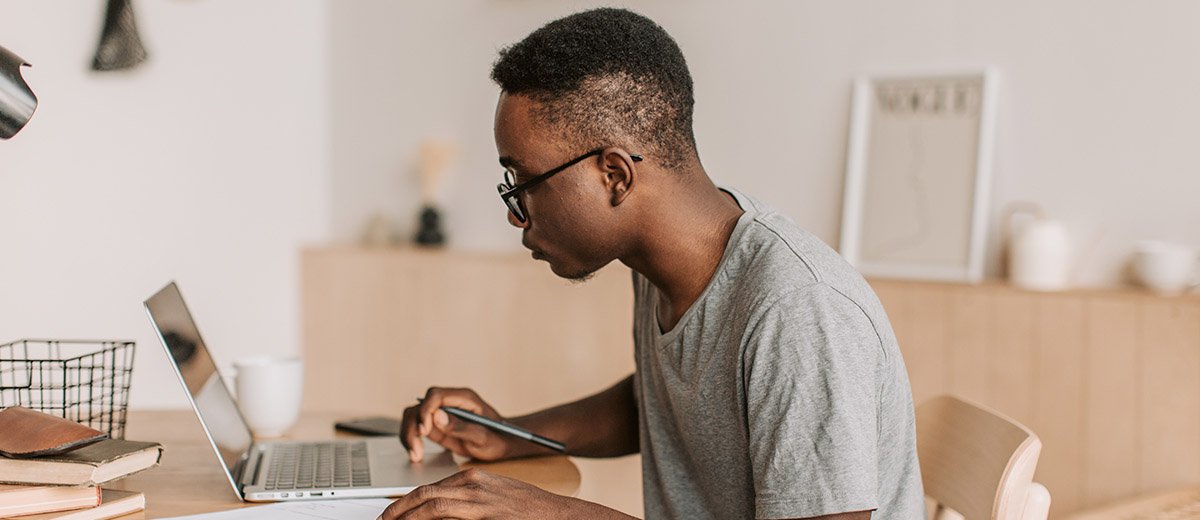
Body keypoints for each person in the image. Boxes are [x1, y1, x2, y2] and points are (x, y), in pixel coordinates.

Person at [382, 8, 924, 520]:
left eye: (523, 184)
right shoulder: (663, 264)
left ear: (615, 176)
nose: (517, 216)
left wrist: (555, 512)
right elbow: (665, 407)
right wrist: (511, 435)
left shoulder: (799, 311)